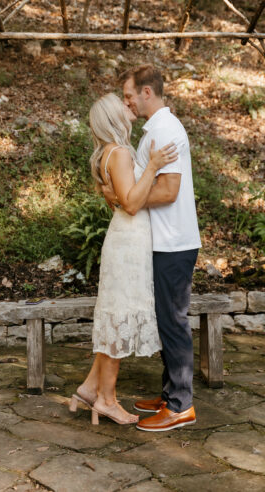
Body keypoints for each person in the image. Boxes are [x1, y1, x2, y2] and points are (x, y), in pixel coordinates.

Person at [103, 65, 202, 432]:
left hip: (173, 242)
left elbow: (168, 190)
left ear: (147, 92)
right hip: (161, 241)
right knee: (165, 319)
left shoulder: (164, 129)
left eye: (129, 94)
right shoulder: (157, 129)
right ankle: (169, 393)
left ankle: (180, 406)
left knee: (173, 321)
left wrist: (129, 199)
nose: (127, 101)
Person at [69, 93, 178, 425]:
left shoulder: (106, 153)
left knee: (114, 314)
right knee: (118, 319)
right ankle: (107, 400)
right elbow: (131, 203)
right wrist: (155, 167)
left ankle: (89, 389)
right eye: (123, 106)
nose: (130, 108)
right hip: (128, 242)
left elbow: (119, 200)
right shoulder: (118, 154)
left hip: (123, 238)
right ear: (114, 117)